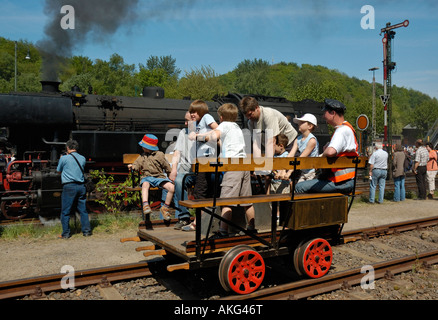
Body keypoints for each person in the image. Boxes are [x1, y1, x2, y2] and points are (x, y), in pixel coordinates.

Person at [196, 103, 255, 238]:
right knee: (247, 201)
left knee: (226, 200)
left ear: (221, 117)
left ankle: (223, 231)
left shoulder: (224, 126)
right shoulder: (236, 127)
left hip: (233, 166)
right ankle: (251, 227)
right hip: (244, 164)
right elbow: (224, 143)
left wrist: (199, 137)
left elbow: (213, 136)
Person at [295, 99, 359, 194]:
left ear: (332, 113)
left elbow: (330, 152)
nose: (323, 116)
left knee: (299, 187)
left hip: (341, 181)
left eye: (325, 113)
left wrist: (323, 154)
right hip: (346, 180)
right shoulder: (348, 128)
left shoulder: (341, 130)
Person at [182, 100, 218, 232]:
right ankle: (200, 220)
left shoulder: (207, 117)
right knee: (202, 189)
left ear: (202, 111)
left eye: (195, 112)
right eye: (191, 112)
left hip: (207, 158)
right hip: (201, 159)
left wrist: (199, 135)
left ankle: (197, 223)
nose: (192, 114)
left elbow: (218, 129)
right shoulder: (197, 123)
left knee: (200, 190)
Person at [128, 133, 175, 220]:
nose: (142, 147)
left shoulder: (160, 155)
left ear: (148, 147)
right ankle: (145, 204)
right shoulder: (143, 156)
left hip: (159, 178)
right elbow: (137, 164)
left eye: (143, 145)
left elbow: (166, 166)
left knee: (171, 188)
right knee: (145, 185)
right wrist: (133, 166)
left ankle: (165, 207)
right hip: (147, 177)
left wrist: (170, 174)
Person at [56, 139, 92, 239]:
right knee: (83, 210)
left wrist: (61, 159)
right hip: (81, 186)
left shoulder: (64, 158)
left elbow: (58, 171)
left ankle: (66, 234)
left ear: (67, 148)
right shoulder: (82, 158)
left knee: (65, 211)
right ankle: (87, 231)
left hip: (69, 187)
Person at [168, 112, 197, 229]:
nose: (185, 123)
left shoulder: (206, 132)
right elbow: (177, 152)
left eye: (187, 121)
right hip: (186, 170)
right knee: (178, 181)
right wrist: (174, 169)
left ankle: (201, 219)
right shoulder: (183, 133)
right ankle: (184, 216)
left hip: (201, 171)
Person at [279, 113, 319, 183]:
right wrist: (283, 170)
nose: (299, 123)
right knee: (297, 190)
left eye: (302, 122)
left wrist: (289, 172)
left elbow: (301, 158)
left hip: (312, 173)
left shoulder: (312, 140)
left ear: (310, 126)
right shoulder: (298, 139)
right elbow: (290, 155)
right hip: (303, 172)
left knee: (299, 189)